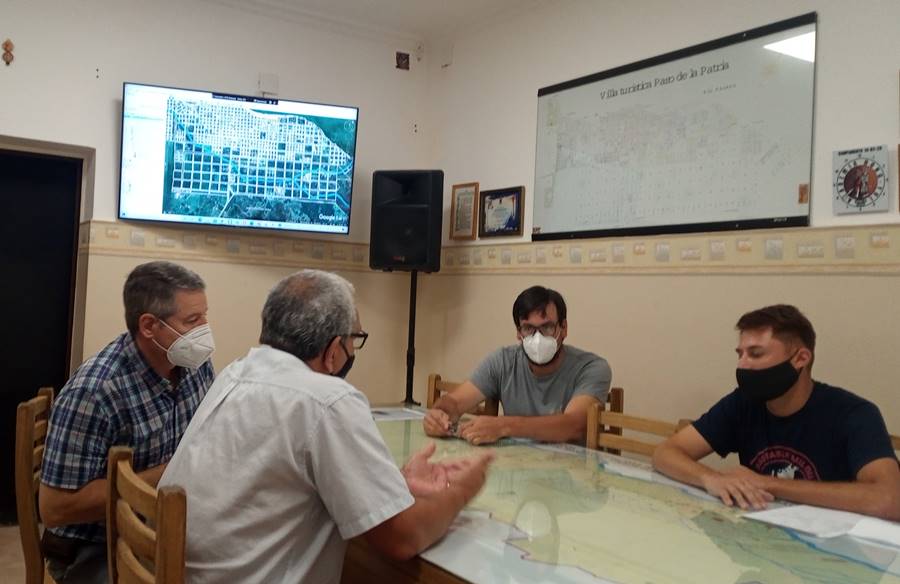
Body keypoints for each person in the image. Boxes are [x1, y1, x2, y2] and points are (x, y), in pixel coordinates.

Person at [159, 269, 493, 583]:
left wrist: (396, 483)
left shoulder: (235, 372)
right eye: (354, 339)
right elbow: (401, 538)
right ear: (333, 351)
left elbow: (270, 479)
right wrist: (464, 488)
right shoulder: (328, 399)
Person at [39, 261, 216, 584]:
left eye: (204, 316)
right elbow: (55, 509)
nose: (205, 330)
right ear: (149, 326)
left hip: (158, 524)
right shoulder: (95, 393)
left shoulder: (195, 364)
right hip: (91, 546)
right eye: (192, 320)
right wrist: (169, 473)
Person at [653, 304, 900, 519]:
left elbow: (890, 499)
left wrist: (768, 484)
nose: (742, 364)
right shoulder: (743, 403)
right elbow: (665, 453)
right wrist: (712, 479)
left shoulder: (854, 414)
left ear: (800, 358)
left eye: (756, 354)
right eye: (740, 354)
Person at [424, 285, 612, 445]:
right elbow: (455, 402)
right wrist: (438, 415)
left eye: (547, 327)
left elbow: (573, 426)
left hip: (572, 469)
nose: (537, 337)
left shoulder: (592, 368)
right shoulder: (502, 361)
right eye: (528, 328)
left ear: (564, 328)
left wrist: (503, 426)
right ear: (518, 333)